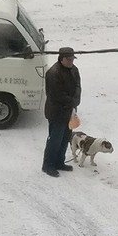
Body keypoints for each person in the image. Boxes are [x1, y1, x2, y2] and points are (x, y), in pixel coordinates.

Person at [42, 47, 81, 177]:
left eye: (72, 59)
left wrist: (76, 100)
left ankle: (59, 162)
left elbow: (78, 87)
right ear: (61, 59)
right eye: (68, 59)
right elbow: (56, 94)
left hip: (69, 112)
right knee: (55, 140)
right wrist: (72, 102)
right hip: (56, 112)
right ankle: (48, 165)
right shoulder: (53, 73)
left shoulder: (74, 70)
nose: (71, 62)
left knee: (65, 139)